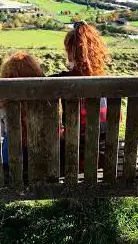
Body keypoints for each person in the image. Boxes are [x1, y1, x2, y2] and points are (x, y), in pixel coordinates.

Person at [51, 21, 109, 170]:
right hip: (104, 159)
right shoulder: (107, 83)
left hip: (72, 160)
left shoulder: (60, 81)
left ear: (71, 53)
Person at [0, 51, 44, 168]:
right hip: (41, 160)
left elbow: (2, 131)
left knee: (7, 139)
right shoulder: (46, 100)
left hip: (11, 162)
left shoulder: (5, 103)